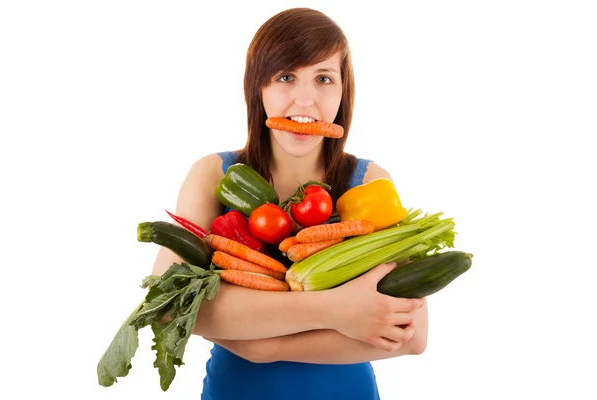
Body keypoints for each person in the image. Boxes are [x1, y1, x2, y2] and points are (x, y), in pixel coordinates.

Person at [151, 7, 428, 400]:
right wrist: (339, 312)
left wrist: (264, 346)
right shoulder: (213, 175)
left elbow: (413, 337)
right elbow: (169, 305)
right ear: (257, 88)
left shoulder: (368, 183)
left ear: (342, 91)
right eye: (286, 77)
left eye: (324, 79)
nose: (306, 100)